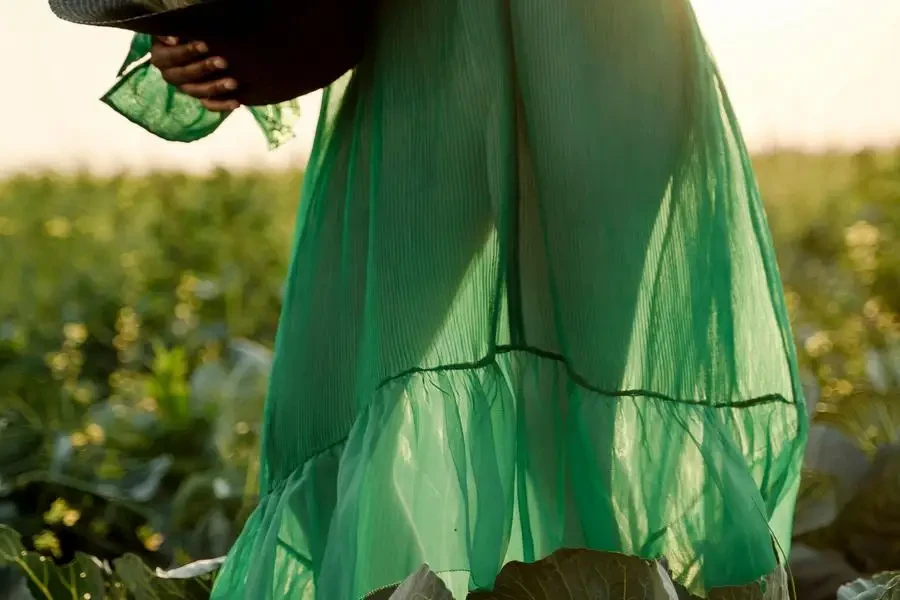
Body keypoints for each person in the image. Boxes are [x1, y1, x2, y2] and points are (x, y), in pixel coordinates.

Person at [150, 1, 806, 598]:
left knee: (585, 414)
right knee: (338, 402)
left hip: (607, 42)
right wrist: (215, 27)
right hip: (427, 48)